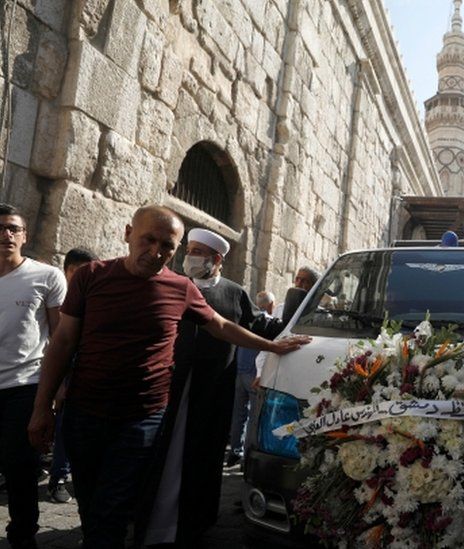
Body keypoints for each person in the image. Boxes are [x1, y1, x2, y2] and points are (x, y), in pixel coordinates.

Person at [26, 206, 309, 549]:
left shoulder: (181, 289)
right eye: (148, 240)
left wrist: (272, 346)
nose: (156, 252)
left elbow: (221, 326)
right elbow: (63, 342)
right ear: (128, 233)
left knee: (113, 509)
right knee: (91, 501)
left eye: (167, 246)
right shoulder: (91, 277)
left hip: (143, 419)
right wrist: (43, 406)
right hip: (86, 411)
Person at [143, 228, 289, 545]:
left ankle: (196, 520)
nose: (189, 256)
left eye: (197, 251)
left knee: (204, 454)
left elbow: (263, 325)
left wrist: (296, 327)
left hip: (213, 390)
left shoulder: (234, 293)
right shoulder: (173, 284)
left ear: (216, 259)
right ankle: (152, 519)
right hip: (170, 386)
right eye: (189, 249)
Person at [0, 203, 67, 549]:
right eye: (0, 228)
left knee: (20, 470)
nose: (6, 234)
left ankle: (23, 536)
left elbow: (60, 337)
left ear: (24, 235)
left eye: (13, 228)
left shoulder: (47, 276)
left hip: (24, 388)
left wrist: (58, 392)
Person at [47, 248, 99, 505]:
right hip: (61, 370)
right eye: (76, 272)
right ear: (66, 271)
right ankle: (58, 478)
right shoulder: (58, 300)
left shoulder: (98, 300)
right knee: (63, 428)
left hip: (88, 371)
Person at [226, 289, 278, 468]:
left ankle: (234, 451)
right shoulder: (268, 324)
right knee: (254, 418)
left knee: (238, 414)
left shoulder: (247, 321)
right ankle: (247, 457)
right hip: (255, 376)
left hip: (240, 373)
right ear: (271, 305)